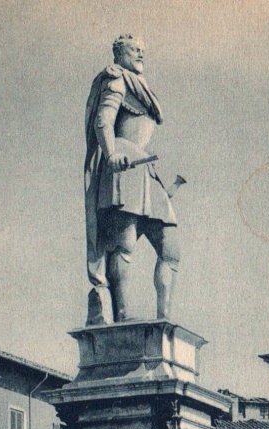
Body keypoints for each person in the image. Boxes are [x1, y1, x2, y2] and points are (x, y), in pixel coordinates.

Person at [85, 34, 181, 324]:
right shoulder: (116, 80)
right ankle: (122, 315)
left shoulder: (140, 86)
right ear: (119, 53)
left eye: (142, 50)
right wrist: (111, 153)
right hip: (124, 165)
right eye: (134, 49)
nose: (140, 53)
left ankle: (164, 320)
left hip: (146, 169)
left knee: (171, 248)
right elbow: (104, 120)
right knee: (123, 244)